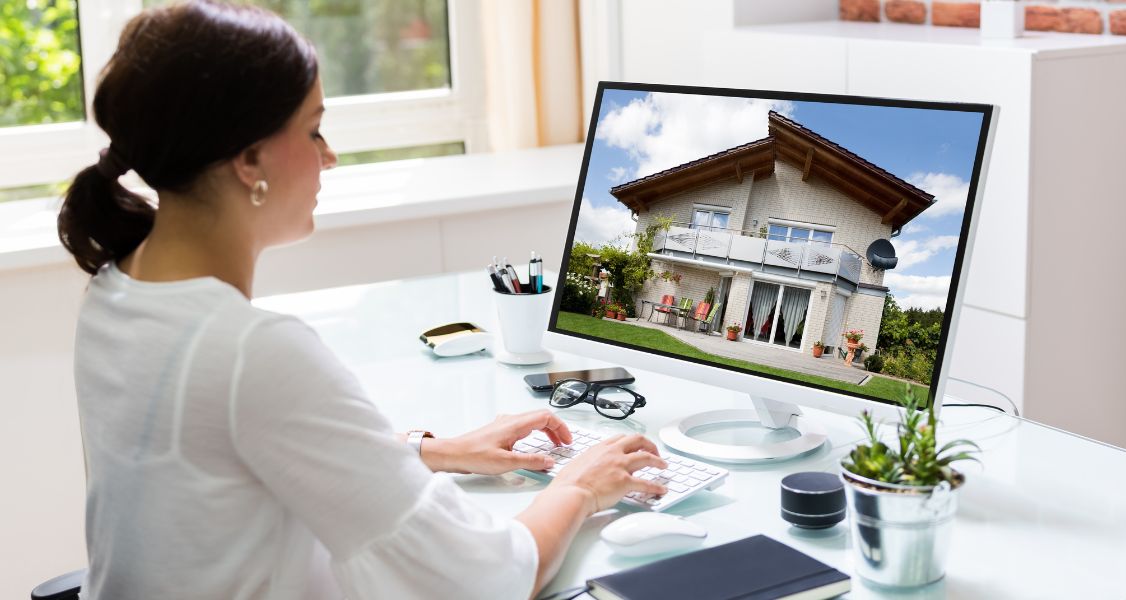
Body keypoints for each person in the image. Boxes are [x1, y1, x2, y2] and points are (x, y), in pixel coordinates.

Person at [57, 2, 668, 598]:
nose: (330, 156)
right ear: (248, 160)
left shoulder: (115, 289)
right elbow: (482, 578)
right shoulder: (251, 353)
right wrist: (581, 488)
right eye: (314, 128)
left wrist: (428, 452)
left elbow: (222, 464)